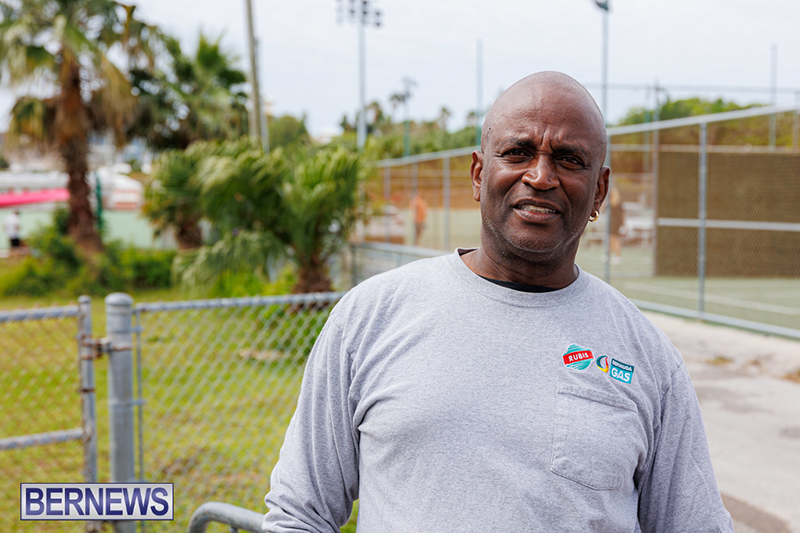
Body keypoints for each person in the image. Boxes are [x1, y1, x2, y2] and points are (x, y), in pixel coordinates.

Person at [263, 72, 733, 532]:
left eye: (569, 159)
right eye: (518, 152)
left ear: (600, 191)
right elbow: (299, 514)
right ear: (478, 173)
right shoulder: (371, 316)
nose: (541, 175)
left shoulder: (648, 358)